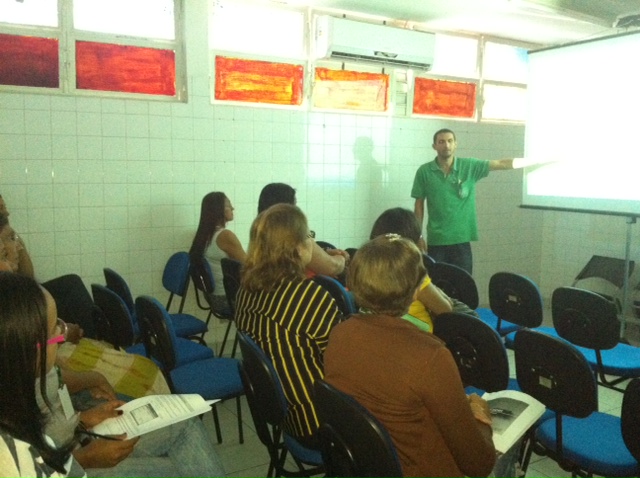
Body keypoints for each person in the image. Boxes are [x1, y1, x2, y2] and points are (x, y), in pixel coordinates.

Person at [323, 235, 497, 478]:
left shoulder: (339, 335)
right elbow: (479, 465)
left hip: (363, 467)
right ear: (416, 292)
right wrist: (480, 415)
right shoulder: (431, 358)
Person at [235, 204, 343, 448]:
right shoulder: (308, 296)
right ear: (297, 247)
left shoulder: (246, 289)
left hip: (283, 413)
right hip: (318, 422)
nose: (311, 241)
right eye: (308, 235)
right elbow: (343, 362)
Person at [0, 272, 81, 477]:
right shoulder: (12, 456)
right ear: (26, 348)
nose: (61, 334)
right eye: (54, 328)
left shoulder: (14, 403)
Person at [411, 129, 514, 274]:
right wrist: (418, 236)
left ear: (455, 144)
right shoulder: (424, 171)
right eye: (441, 142)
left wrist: (531, 161)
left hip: (461, 240)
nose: (446, 145)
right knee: (437, 283)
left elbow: (500, 163)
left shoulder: (469, 166)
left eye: (450, 141)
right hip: (436, 241)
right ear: (434, 146)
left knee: (463, 283)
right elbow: (419, 205)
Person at [370, 207, 454, 332]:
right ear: (413, 244)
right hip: (416, 337)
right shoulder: (414, 276)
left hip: (380, 331)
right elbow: (446, 310)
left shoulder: (368, 271)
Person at [257, 183, 349, 278]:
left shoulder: (259, 233)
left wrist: (324, 251)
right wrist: (342, 258)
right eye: (295, 204)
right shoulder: (293, 235)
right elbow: (332, 267)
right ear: (287, 209)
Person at [189, 192, 246, 310]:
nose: (233, 208)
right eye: (229, 205)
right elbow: (249, 266)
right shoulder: (225, 236)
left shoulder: (204, 235)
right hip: (227, 299)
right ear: (219, 210)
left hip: (212, 297)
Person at [0, 193, 35, 278]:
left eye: (4, 207)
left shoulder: (9, 235)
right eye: (1, 208)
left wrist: (14, 238)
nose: (7, 213)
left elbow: (29, 276)